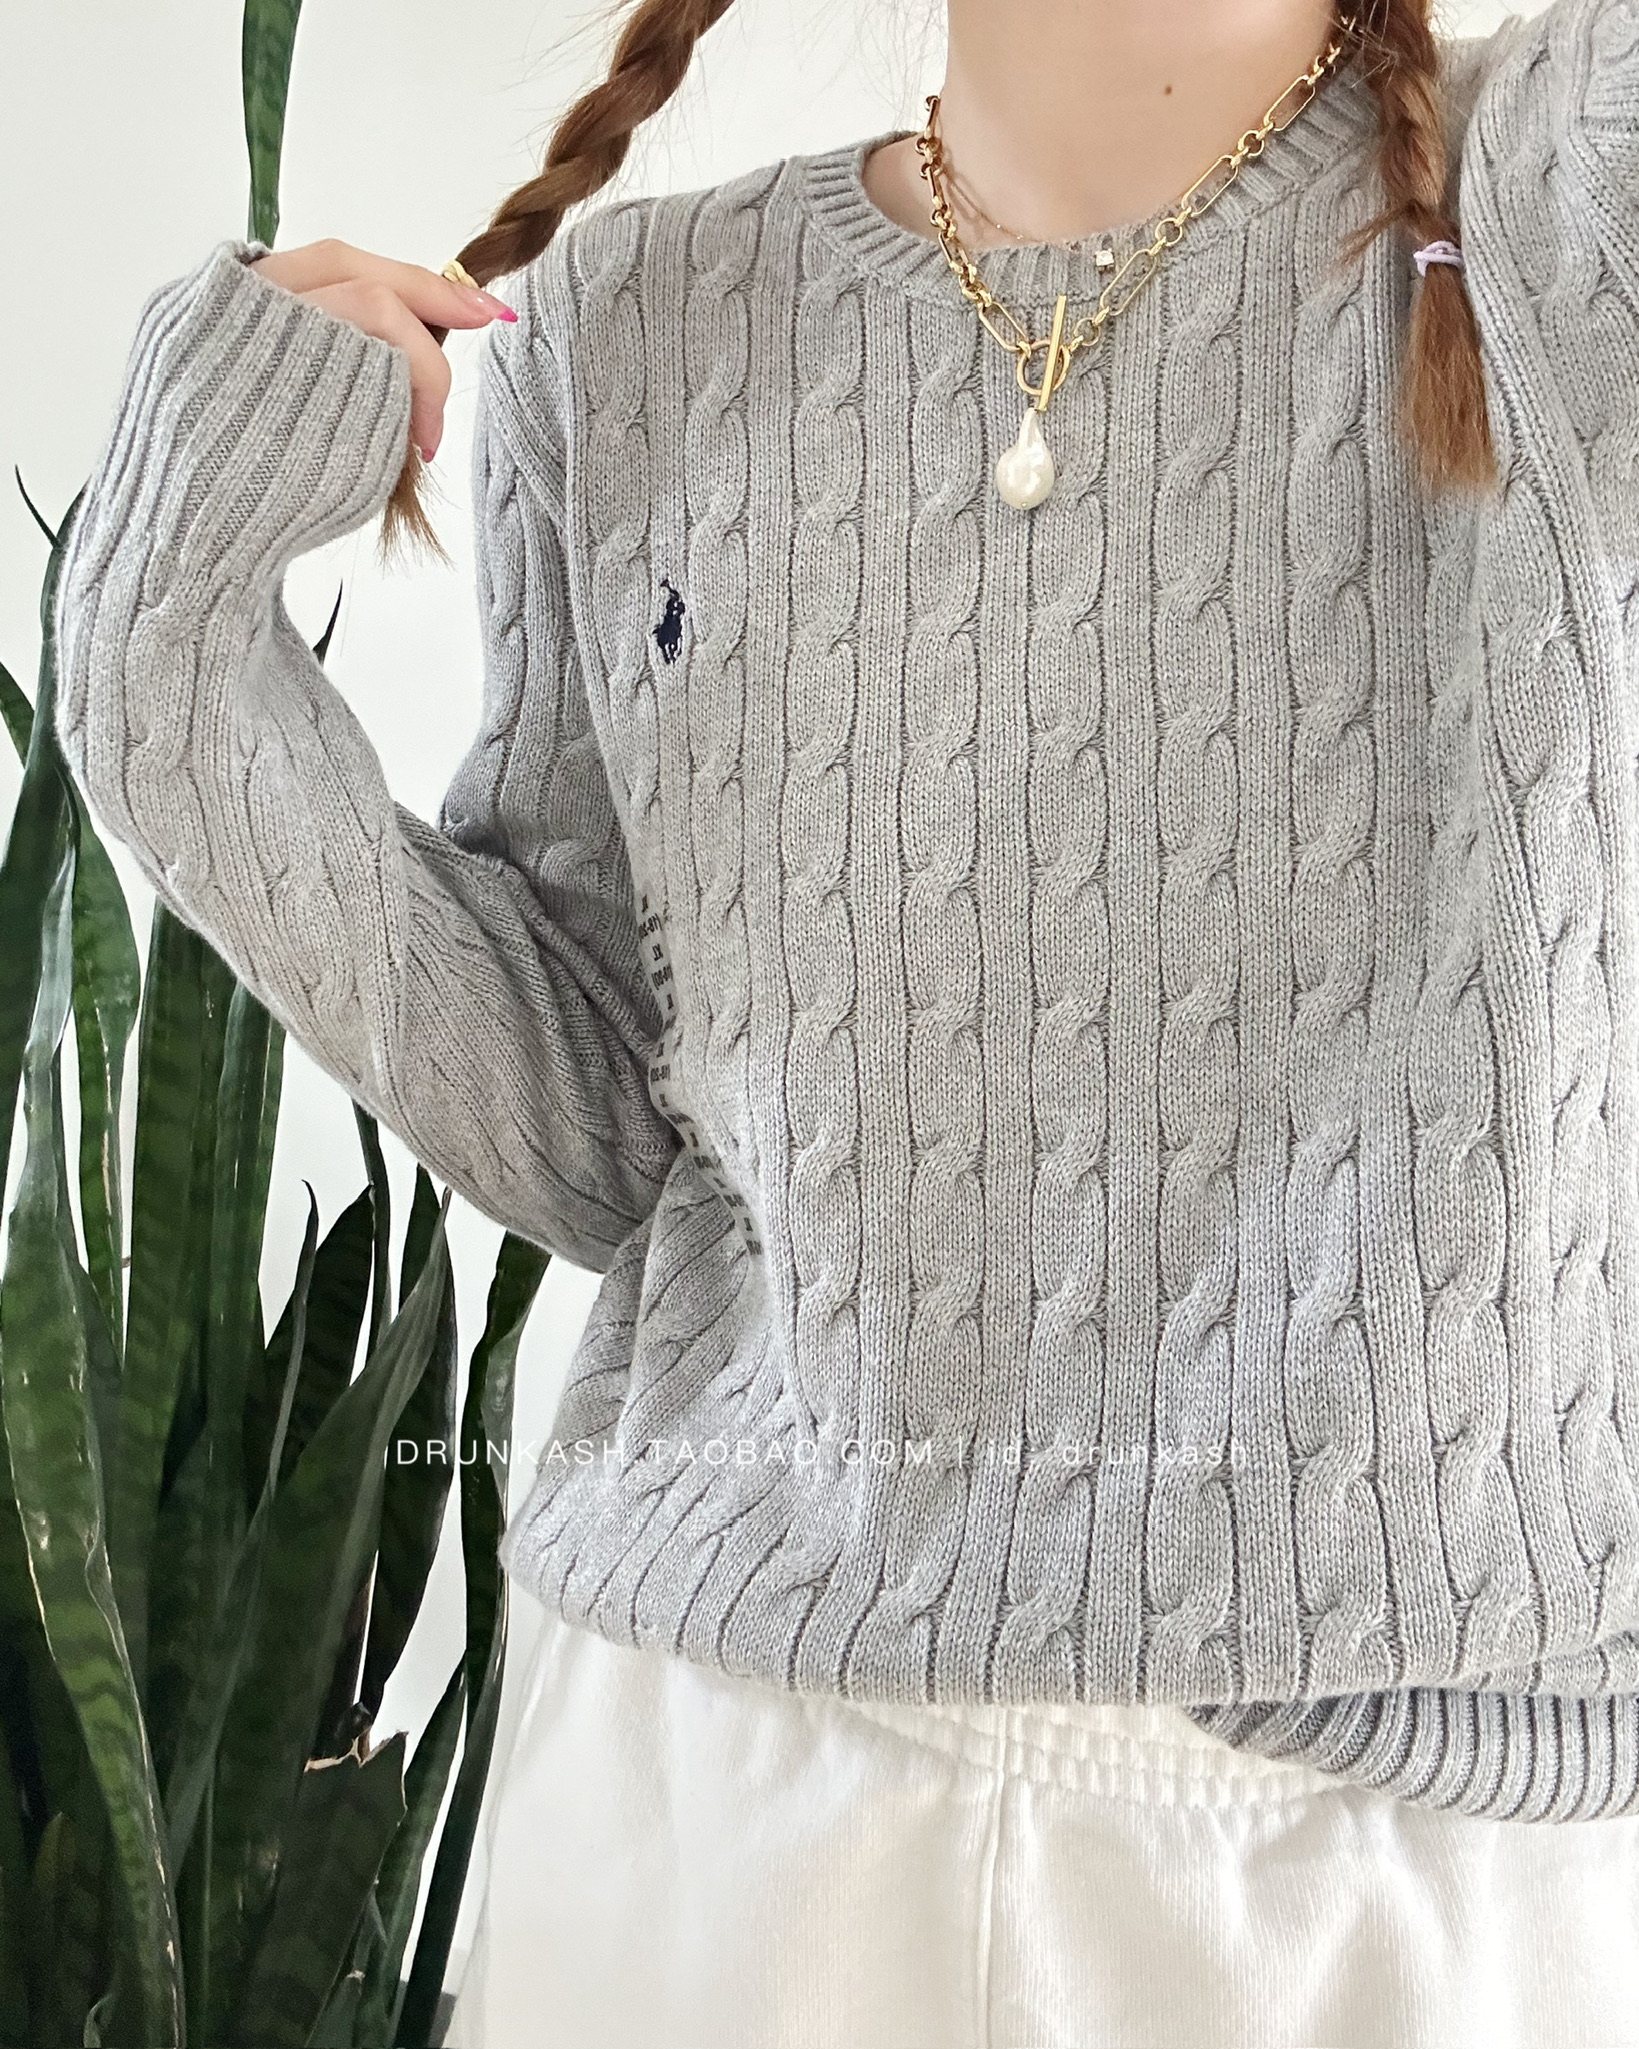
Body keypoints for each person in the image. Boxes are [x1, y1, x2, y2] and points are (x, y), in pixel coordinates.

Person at [50, 0, 1639, 2039]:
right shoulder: (632, 320)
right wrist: (166, 651)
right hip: (720, 1798)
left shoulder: (1563, 192)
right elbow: (610, 1126)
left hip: (1379, 1860)